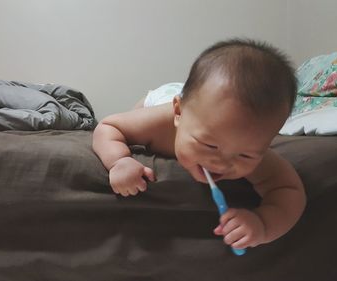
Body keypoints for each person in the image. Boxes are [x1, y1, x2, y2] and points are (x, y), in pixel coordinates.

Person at [92, 38, 306, 249]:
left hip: (194, 105)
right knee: (136, 114)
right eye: (209, 145)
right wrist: (119, 160)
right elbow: (109, 126)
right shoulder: (160, 123)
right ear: (178, 112)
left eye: (245, 155)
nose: (222, 164)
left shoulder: (251, 144)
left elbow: (289, 190)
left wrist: (263, 224)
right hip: (162, 98)